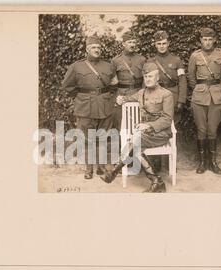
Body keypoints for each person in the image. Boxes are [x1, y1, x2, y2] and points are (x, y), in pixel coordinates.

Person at [100, 62, 174, 193]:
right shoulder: (141, 93)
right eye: (145, 77)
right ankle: (157, 181)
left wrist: (148, 125)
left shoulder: (166, 94)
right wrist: (121, 99)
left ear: (158, 78)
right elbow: (127, 98)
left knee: (135, 140)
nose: (148, 79)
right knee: (136, 145)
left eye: (151, 76)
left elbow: (167, 119)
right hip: (144, 135)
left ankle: (114, 172)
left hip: (160, 133)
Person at [61, 35, 118, 179]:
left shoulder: (108, 65)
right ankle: (88, 169)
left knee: (103, 138)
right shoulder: (77, 66)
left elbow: (114, 84)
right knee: (86, 139)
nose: (97, 50)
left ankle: (100, 166)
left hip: (104, 107)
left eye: (98, 47)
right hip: (85, 108)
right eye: (93, 47)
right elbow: (67, 86)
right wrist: (81, 96)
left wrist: (107, 97)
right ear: (87, 49)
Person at [187, 27, 221, 175]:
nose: (208, 42)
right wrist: (198, 88)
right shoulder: (195, 56)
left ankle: (213, 162)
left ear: (214, 40)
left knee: (212, 129)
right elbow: (191, 75)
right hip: (199, 96)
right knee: (201, 130)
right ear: (200, 41)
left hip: (216, 96)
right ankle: (202, 162)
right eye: (205, 39)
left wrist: (219, 87)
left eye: (210, 39)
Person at [147, 30, 187, 124]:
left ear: (168, 44)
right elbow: (146, 82)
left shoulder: (176, 60)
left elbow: (182, 81)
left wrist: (181, 100)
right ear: (155, 45)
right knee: (156, 125)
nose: (161, 46)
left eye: (164, 43)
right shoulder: (150, 62)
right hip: (155, 97)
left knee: (173, 125)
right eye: (159, 43)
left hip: (172, 96)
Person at [111, 31, 146, 131]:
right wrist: (116, 97)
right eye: (129, 42)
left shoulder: (142, 59)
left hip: (138, 93)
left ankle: (138, 144)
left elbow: (145, 79)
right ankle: (122, 145)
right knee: (121, 122)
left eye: (134, 42)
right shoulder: (116, 61)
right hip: (122, 94)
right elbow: (112, 82)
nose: (132, 45)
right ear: (123, 44)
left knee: (138, 121)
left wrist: (143, 93)